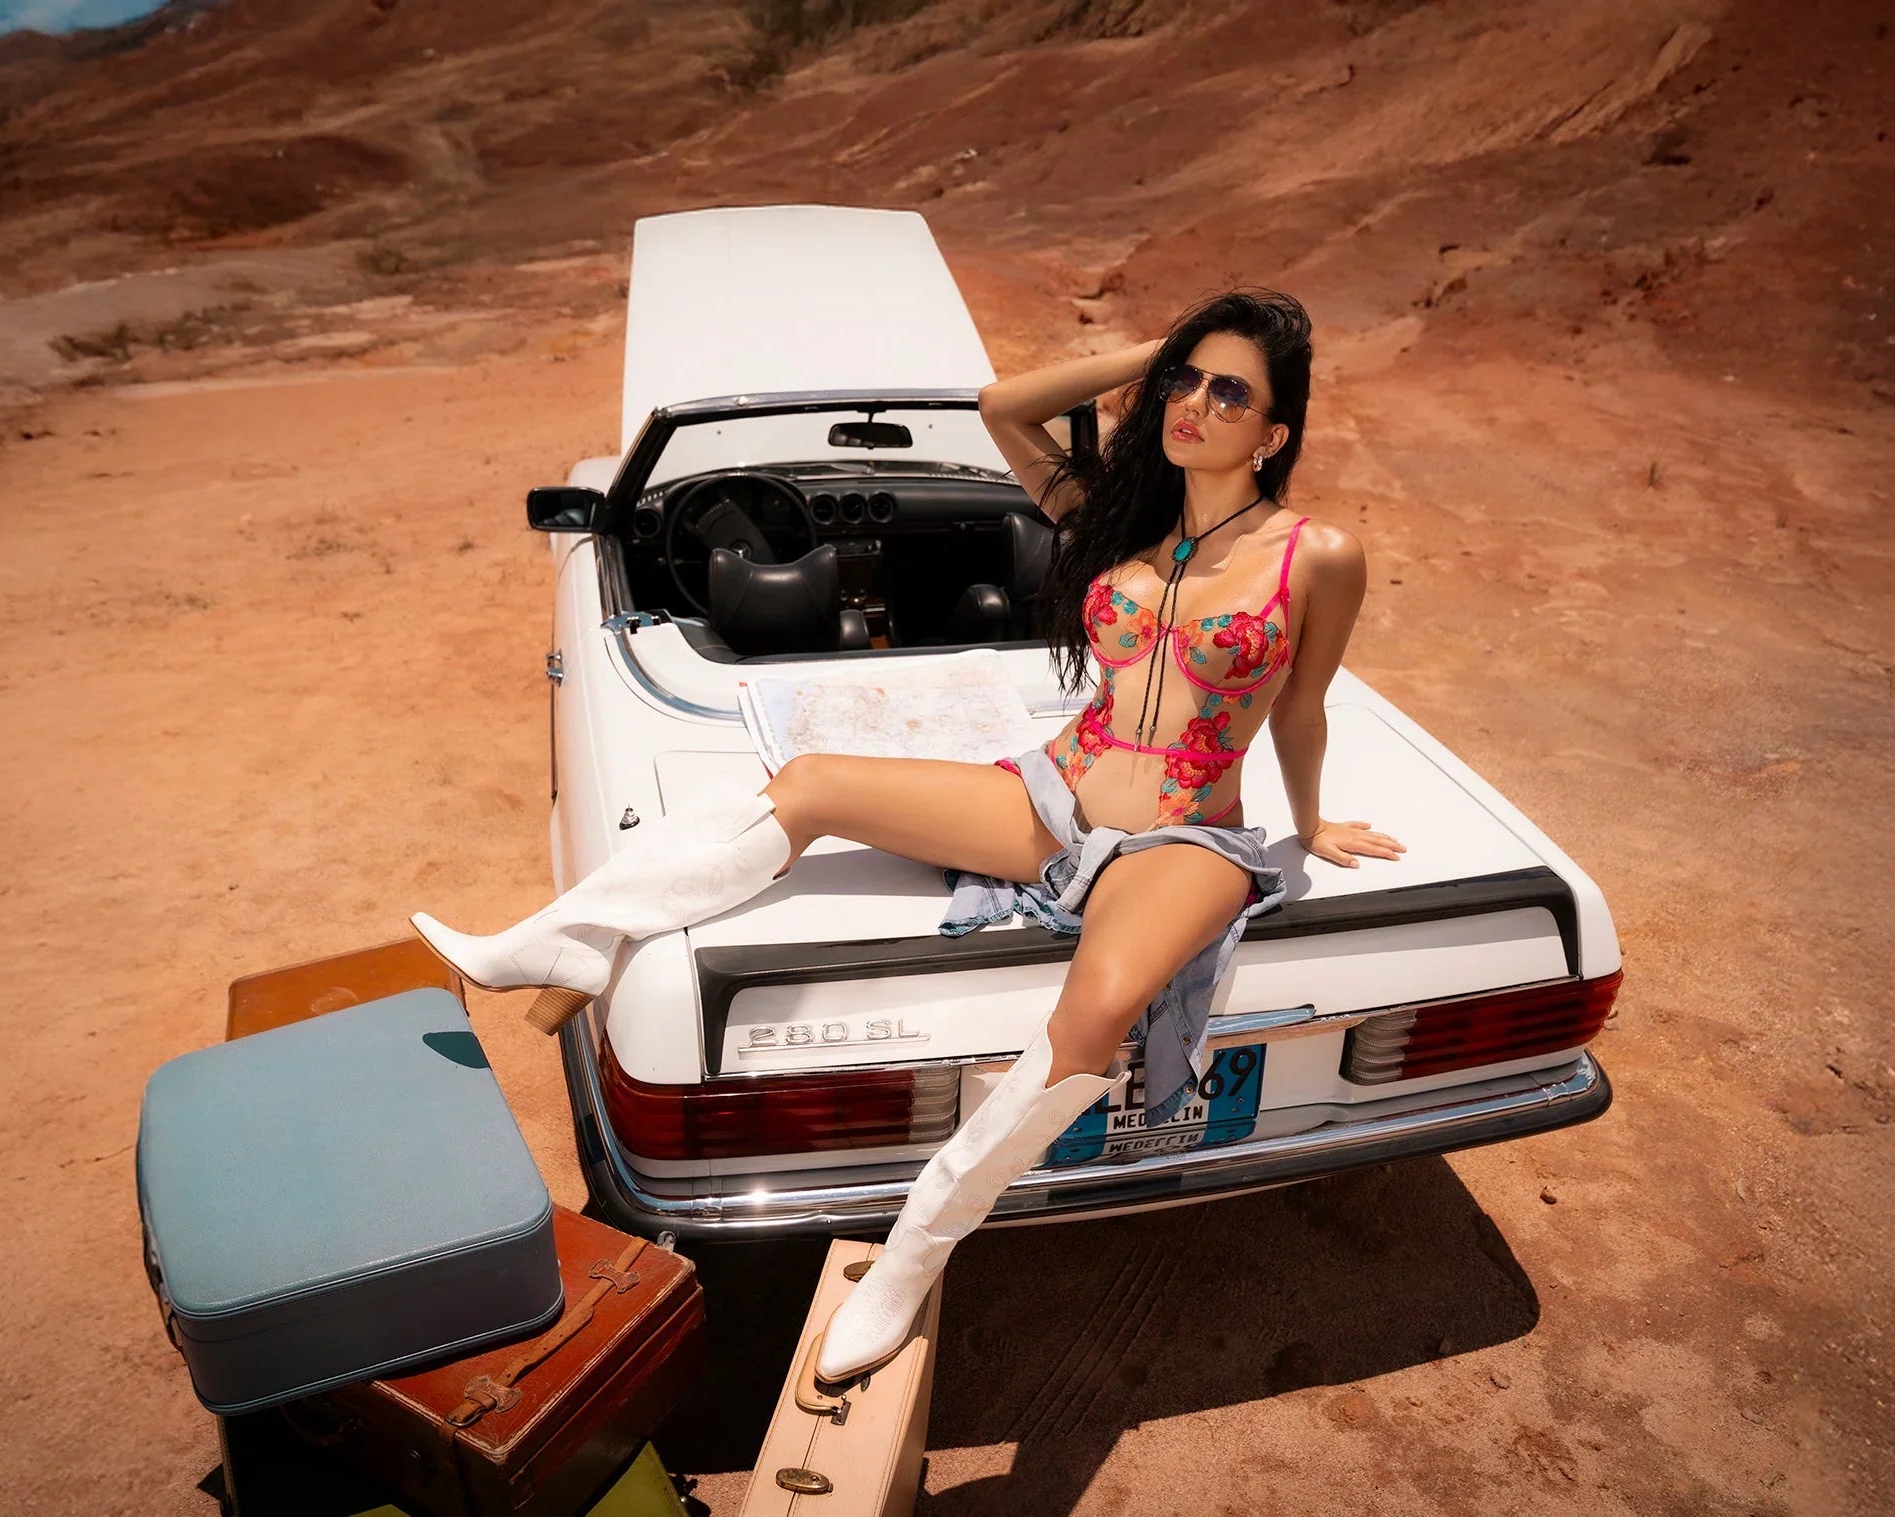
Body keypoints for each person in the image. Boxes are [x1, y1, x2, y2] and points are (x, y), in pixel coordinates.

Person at [411, 288, 1404, 1384]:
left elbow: (1304, 707)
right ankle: (565, 938)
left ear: (1273, 433)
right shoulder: (1120, 522)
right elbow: (1000, 406)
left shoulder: (1317, 553)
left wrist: (1312, 827)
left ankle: (913, 1247)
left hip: (1184, 837)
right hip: (1054, 797)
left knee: (1100, 1007)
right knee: (813, 783)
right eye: (1185, 378)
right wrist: (1161, 345)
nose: (1194, 403)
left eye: (1230, 392)